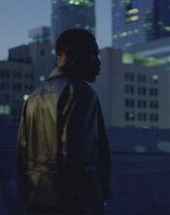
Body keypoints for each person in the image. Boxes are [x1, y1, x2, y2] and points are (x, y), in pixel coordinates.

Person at [15, 29, 113, 214]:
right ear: (68, 55)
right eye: (91, 53)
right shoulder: (81, 93)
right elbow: (81, 160)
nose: (98, 61)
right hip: (71, 202)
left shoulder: (34, 97)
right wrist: (95, 203)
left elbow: (21, 156)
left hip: (36, 199)